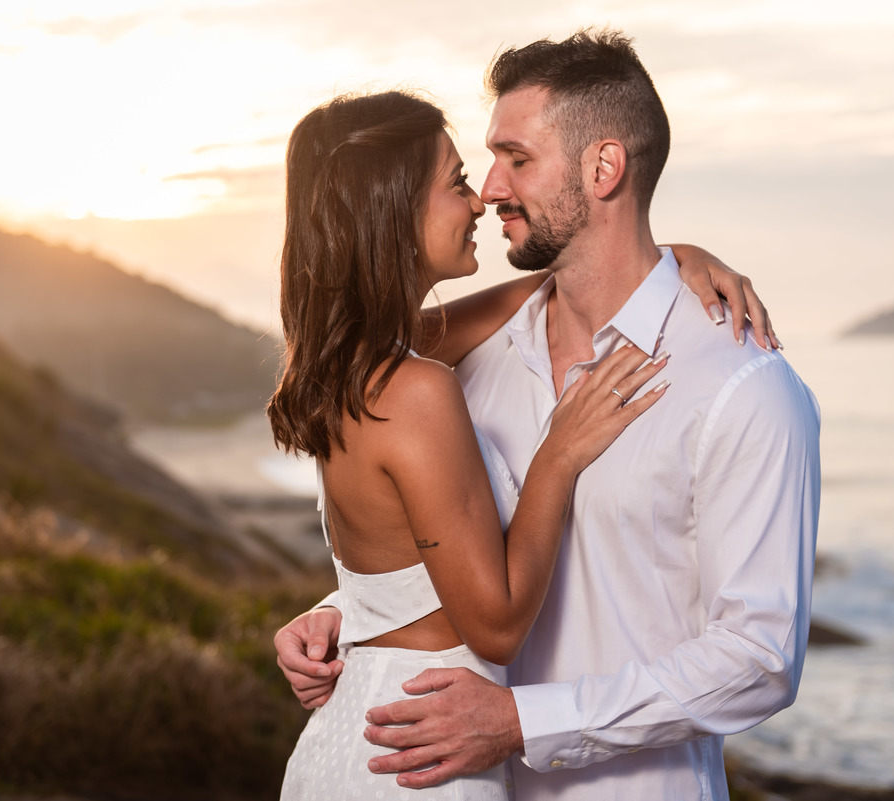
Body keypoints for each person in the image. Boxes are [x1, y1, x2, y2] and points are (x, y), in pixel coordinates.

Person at [274, 29, 820, 801]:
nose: (491, 189)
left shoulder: (741, 387)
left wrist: (524, 722)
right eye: (477, 166)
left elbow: (759, 656)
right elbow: (441, 542)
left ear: (604, 168)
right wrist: (353, 613)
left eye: (516, 160)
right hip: (438, 775)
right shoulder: (455, 364)